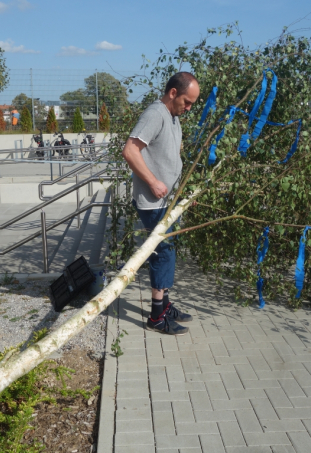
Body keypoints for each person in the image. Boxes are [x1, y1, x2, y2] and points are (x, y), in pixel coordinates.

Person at [122, 72, 200, 335]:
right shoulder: (155, 114)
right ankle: (157, 316)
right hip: (153, 201)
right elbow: (130, 150)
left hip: (169, 200)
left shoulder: (174, 117)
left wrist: (182, 194)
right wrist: (154, 182)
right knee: (162, 252)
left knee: (169, 249)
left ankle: (165, 306)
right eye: (187, 102)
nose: (189, 108)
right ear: (173, 93)